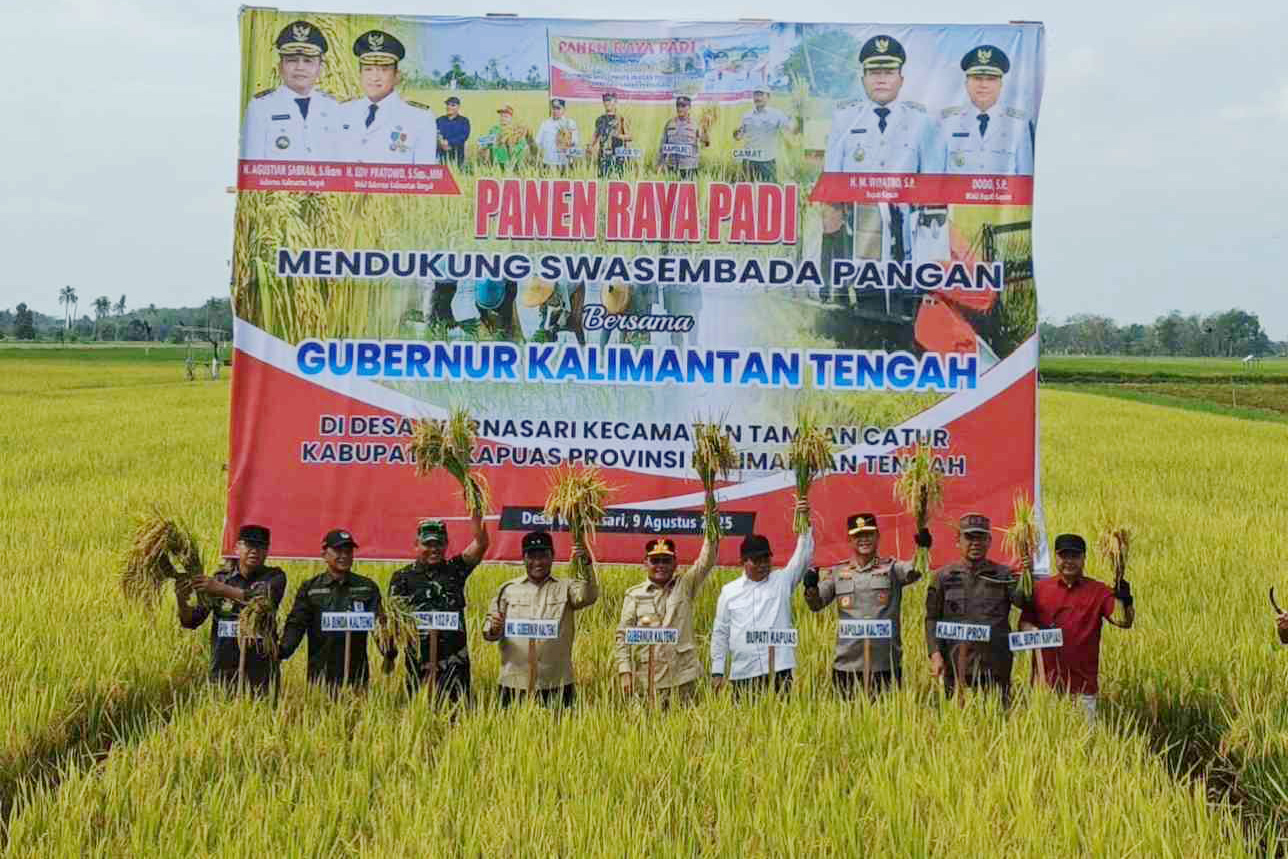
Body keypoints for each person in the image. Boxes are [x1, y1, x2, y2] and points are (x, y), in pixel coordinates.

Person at [823, 34, 944, 264]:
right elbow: (832, 185)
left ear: (901, 79)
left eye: (888, 73)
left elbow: (932, 187)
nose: (881, 80)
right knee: (866, 294)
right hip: (859, 232)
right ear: (863, 79)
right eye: (874, 73)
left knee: (906, 296)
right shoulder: (844, 119)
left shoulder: (921, 122)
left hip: (907, 234)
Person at [803, 513, 930, 696]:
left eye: (869, 534)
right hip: (847, 665)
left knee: (887, 722)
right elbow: (816, 604)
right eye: (858, 535)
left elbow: (916, 571)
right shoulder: (839, 572)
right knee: (846, 722)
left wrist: (923, 548)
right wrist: (810, 587)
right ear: (849, 539)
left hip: (884, 665)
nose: (864, 539)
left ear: (878, 535)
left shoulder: (892, 569)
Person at [1017, 533, 1134, 720]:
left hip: (1083, 690)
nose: (1069, 561)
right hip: (1045, 688)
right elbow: (1024, 623)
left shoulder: (1099, 591)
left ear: (1084, 558)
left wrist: (1125, 600)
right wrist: (1032, 632)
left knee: (1083, 746)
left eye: (1075, 556)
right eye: (1064, 556)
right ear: (1056, 557)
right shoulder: (1041, 589)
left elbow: (1123, 621)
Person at [482, 531, 598, 707]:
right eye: (532, 556)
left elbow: (588, 596)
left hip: (556, 682)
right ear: (523, 558)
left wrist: (586, 563)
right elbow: (489, 630)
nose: (538, 562)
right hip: (514, 681)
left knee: (559, 733)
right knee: (511, 733)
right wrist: (494, 628)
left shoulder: (567, 588)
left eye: (543, 556)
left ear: (552, 556)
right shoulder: (507, 590)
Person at [710, 498, 814, 696]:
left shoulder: (782, 580)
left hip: (779, 671)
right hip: (743, 673)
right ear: (743, 561)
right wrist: (717, 670)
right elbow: (720, 632)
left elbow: (803, 555)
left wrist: (804, 522)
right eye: (756, 560)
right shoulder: (729, 592)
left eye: (766, 558)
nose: (763, 564)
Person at [924, 513, 1024, 704]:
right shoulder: (943, 577)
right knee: (955, 725)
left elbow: (1023, 602)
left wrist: (1027, 574)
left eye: (981, 537)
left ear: (989, 541)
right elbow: (932, 618)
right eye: (969, 537)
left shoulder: (1004, 575)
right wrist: (935, 653)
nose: (975, 543)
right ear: (958, 540)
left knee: (997, 723)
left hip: (995, 666)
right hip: (955, 665)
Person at [388, 514, 489, 702]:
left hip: (455, 664)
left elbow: (481, 544)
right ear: (416, 545)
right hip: (419, 664)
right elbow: (394, 623)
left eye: (439, 544)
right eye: (428, 544)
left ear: (446, 544)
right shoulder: (402, 578)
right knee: (419, 718)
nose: (434, 549)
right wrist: (389, 655)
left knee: (458, 718)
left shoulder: (456, 569)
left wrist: (475, 511)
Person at [176, 524, 287, 695]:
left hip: (261, 674)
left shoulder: (275, 577)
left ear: (267, 551)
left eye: (260, 546)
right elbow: (191, 621)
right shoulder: (221, 578)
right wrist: (181, 600)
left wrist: (221, 590)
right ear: (237, 548)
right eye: (249, 545)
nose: (254, 551)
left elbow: (263, 599)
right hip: (223, 672)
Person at [279, 529, 393, 690]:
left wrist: (389, 652)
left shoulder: (366, 587)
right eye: (338, 551)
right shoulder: (311, 588)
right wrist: (282, 650)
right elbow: (296, 624)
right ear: (324, 554)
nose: (344, 555)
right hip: (320, 675)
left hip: (357, 676)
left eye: (348, 551)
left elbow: (379, 624)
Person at [614, 531, 717, 705]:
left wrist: (711, 526)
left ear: (675, 563)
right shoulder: (634, 595)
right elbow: (622, 636)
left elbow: (706, 561)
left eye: (666, 560)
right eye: (655, 560)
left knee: (685, 730)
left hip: (684, 678)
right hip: (648, 679)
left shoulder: (685, 585)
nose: (660, 565)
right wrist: (625, 672)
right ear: (645, 563)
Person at [240, 20, 342, 161]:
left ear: (320, 67)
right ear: (280, 66)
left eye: (308, 61)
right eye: (292, 60)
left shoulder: (333, 107)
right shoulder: (260, 107)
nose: (300, 67)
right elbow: (251, 165)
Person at [338, 30, 437, 164]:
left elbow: (424, 177)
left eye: (384, 69)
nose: (374, 77)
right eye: (368, 69)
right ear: (359, 74)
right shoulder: (342, 112)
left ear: (397, 75)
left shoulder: (420, 118)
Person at [942, 45, 1034, 176]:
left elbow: (1025, 177)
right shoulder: (947, 123)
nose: (983, 85)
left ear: (1001, 84)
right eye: (977, 78)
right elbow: (936, 177)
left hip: (1002, 196)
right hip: (957, 196)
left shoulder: (1018, 124)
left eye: (991, 79)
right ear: (966, 83)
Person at [733, 88, 792, 182]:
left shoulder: (777, 114)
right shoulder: (746, 115)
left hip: (767, 160)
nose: (758, 98)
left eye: (761, 95)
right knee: (748, 190)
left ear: (768, 97)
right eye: (756, 95)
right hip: (749, 160)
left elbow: (790, 129)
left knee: (769, 189)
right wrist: (736, 134)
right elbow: (739, 136)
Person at [657, 95, 710, 179]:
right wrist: (660, 164)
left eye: (683, 106)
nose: (680, 108)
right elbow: (663, 145)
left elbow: (706, 143)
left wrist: (705, 130)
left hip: (689, 167)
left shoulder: (695, 124)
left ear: (689, 107)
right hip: (672, 166)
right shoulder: (670, 123)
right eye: (678, 106)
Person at [590, 92, 631, 177]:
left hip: (618, 155)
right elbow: (596, 135)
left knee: (618, 179)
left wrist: (618, 136)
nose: (607, 103)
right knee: (602, 178)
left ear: (615, 102)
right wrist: (590, 145)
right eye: (605, 101)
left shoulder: (621, 118)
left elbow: (630, 136)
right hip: (603, 154)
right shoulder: (600, 119)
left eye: (609, 100)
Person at [479, 103, 531, 170]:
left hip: (511, 165)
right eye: (501, 116)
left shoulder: (516, 130)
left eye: (506, 116)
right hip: (496, 163)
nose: (502, 118)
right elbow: (483, 143)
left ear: (511, 118)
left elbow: (522, 146)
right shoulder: (494, 129)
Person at [534, 98, 580, 171]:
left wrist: (566, 143)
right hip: (548, 164)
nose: (555, 111)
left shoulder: (570, 123)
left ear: (564, 109)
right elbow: (538, 142)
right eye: (553, 108)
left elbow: (575, 142)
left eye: (558, 108)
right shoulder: (545, 124)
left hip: (565, 164)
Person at [436, 96, 470, 165]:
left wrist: (448, 142)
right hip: (441, 155)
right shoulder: (439, 120)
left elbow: (464, 136)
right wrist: (440, 142)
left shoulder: (464, 121)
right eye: (448, 105)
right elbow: (434, 133)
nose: (449, 107)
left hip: (457, 155)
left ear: (458, 107)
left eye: (453, 105)